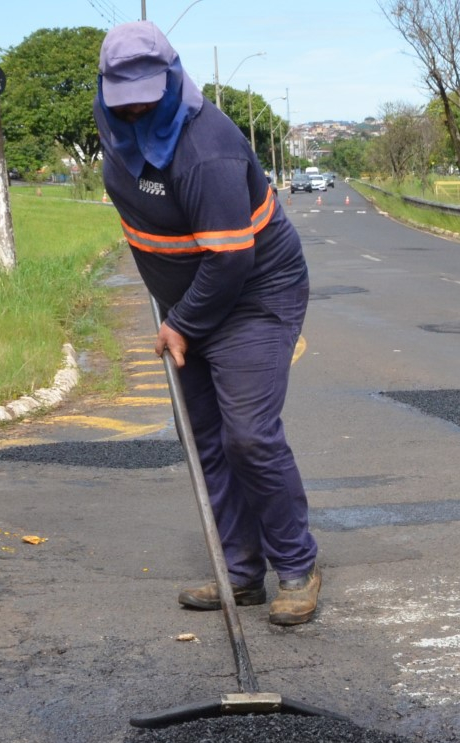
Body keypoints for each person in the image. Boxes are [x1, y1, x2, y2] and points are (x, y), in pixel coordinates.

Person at [95, 22, 321, 624]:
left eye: (148, 91)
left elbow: (230, 258)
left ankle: (296, 568)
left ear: (173, 77)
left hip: (252, 293)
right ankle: (240, 574)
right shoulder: (114, 128)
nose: (137, 105)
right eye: (125, 95)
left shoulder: (208, 148)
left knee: (248, 433)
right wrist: (173, 306)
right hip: (188, 302)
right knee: (203, 440)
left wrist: (182, 323)